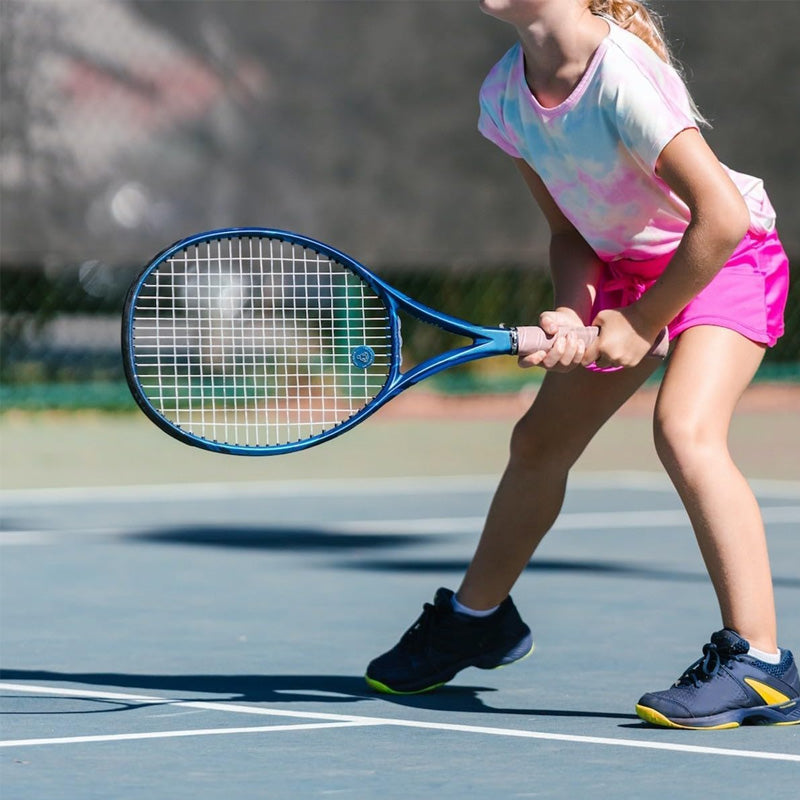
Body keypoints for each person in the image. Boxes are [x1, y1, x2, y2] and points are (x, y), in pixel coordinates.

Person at [364, 0, 799, 729]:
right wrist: (573, 310)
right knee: (538, 444)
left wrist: (640, 321)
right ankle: (479, 619)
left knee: (684, 431)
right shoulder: (504, 95)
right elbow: (569, 232)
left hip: (725, 259)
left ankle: (760, 663)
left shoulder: (622, 76)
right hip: (629, 268)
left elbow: (719, 217)